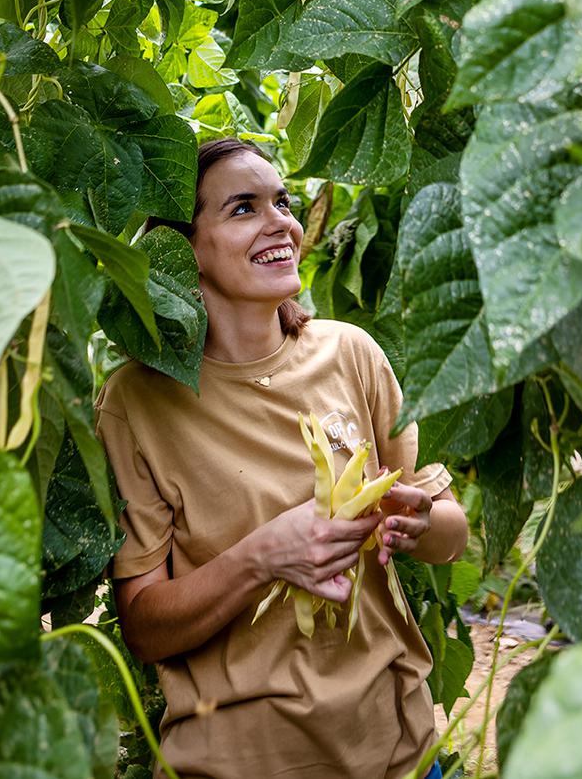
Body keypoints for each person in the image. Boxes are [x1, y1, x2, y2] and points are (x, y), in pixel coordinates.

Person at [94, 136, 468, 779]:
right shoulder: (137, 401)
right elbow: (145, 628)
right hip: (236, 764)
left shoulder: (351, 354)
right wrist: (264, 556)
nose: (283, 224)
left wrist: (420, 523)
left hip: (396, 753)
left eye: (283, 202)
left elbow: (451, 536)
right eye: (244, 208)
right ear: (184, 251)